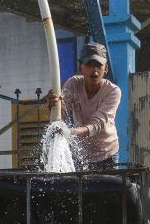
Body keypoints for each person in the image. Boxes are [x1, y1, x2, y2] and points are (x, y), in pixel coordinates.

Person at [46, 41, 121, 169]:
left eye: (98, 65)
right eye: (89, 65)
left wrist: (69, 132)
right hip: (81, 155)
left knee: (108, 189)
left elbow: (96, 124)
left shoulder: (112, 91)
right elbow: (63, 111)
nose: (94, 70)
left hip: (107, 155)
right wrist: (54, 106)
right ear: (80, 67)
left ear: (106, 68)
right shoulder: (73, 84)